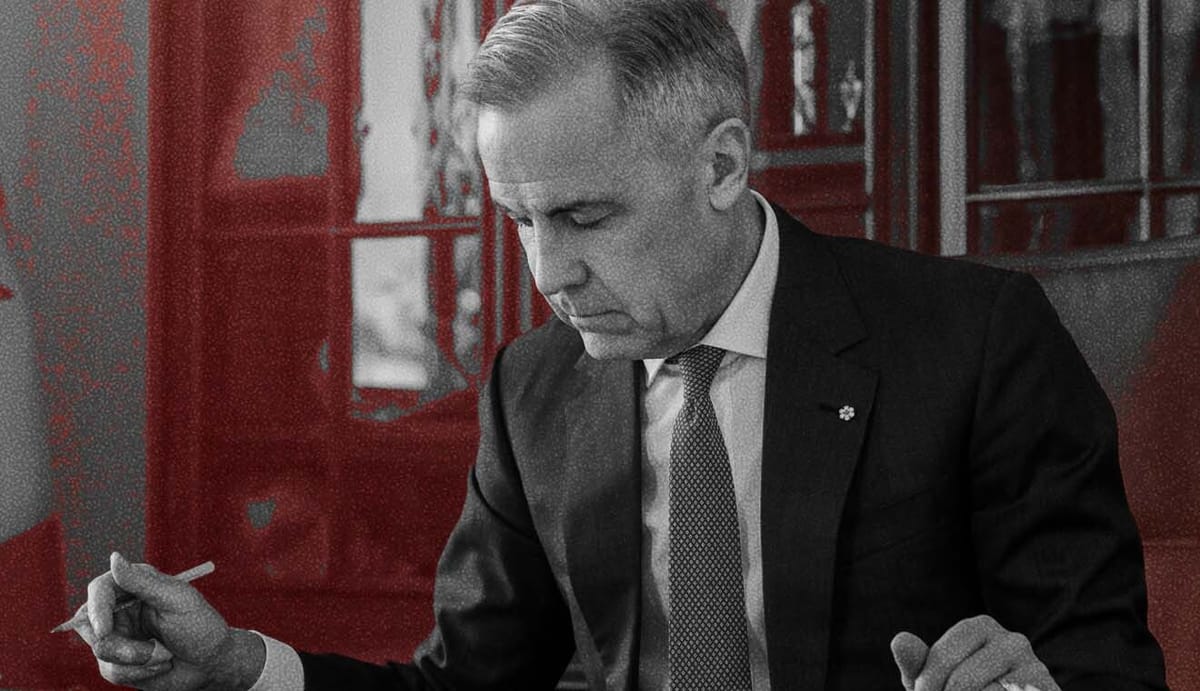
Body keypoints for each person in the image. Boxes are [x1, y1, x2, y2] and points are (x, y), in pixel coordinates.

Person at [78, 1, 1167, 689]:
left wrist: (1028, 687)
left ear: (722, 167)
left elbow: (1102, 664)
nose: (548, 274)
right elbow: (469, 684)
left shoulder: (975, 342)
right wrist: (238, 664)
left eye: (585, 217)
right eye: (520, 219)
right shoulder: (533, 390)